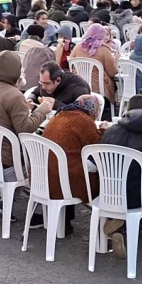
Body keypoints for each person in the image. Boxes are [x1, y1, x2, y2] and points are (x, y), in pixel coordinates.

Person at [98, 95, 142, 258]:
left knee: (139, 183)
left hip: (110, 194)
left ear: (127, 111)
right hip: (138, 198)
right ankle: (137, 224)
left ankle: (119, 225)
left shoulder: (111, 130)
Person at [0, 51, 55, 186]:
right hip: (11, 163)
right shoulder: (14, 95)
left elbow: (1, 112)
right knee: (47, 158)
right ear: (16, 71)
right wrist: (42, 110)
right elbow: (25, 128)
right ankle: (39, 200)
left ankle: (5, 200)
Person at [40, 96, 104, 228]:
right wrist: (103, 131)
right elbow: (96, 150)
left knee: (72, 162)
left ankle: (65, 223)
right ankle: (108, 224)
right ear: (94, 109)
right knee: (105, 176)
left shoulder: (59, 115)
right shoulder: (85, 122)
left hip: (45, 175)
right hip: (66, 180)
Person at [69, 22, 119, 105]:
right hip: (98, 87)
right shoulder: (104, 50)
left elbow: (70, 63)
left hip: (78, 84)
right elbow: (112, 73)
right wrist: (115, 60)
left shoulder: (78, 47)